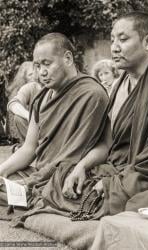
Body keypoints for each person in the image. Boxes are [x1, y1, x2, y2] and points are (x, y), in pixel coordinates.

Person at [62, 12, 148, 215]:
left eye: (123, 39)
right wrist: (82, 166)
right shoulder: (120, 84)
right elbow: (109, 143)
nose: (114, 47)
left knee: (128, 199)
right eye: (112, 40)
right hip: (120, 167)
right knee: (65, 176)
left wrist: (115, 182)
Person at [0, 32, 109, 218]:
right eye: (37, 65)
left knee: (74, 191)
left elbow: (80, 153)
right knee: (8, 178)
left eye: (46, 64)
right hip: (41, 174)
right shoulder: (40, 99)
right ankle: (27, 193)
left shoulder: (92, 94)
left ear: (67, 58)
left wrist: (33, 181)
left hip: (67, 174)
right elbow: (28, 149)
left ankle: (30, 195)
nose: (41, 72)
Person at [8, 77, 42, 144]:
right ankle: (32, 146)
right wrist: (29, 116)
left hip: (53, 132)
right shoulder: (32, 87)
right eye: (39, 67)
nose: (43, 73)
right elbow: (13, 103)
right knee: (18, 118)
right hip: (36, 130)